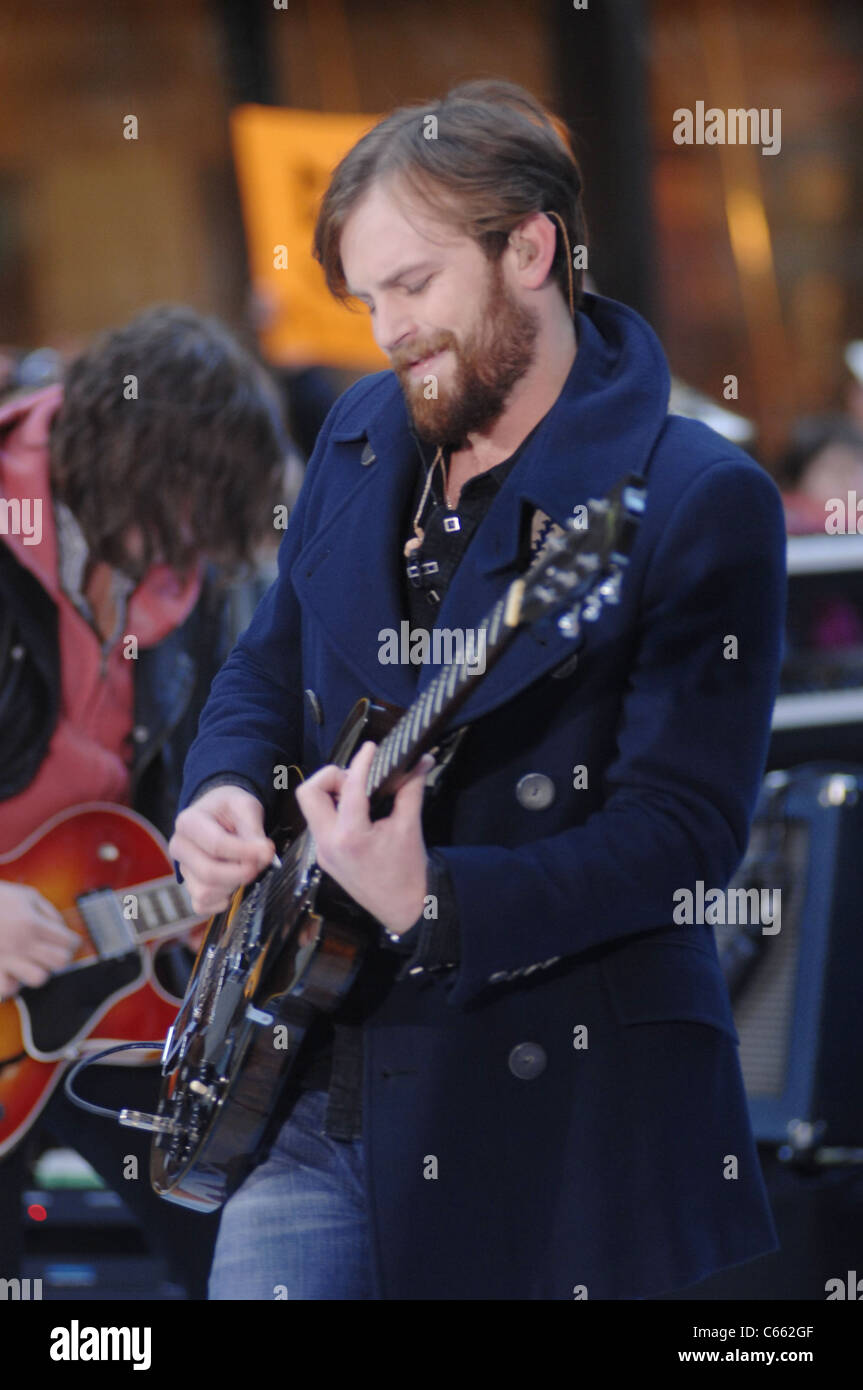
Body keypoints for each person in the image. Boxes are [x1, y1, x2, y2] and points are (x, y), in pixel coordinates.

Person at [171, 79, 787, 1301]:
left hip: (559, 1136)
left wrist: (437, 901)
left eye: (413, 286)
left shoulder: (696, 497)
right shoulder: (358, 431)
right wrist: (225, 787)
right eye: (365, 298)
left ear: (529, 249)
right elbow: (267, 661)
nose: (386, 329)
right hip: (303, 1079)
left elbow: (681, 841)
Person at [0, 303, 287, 1297]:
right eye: (181, 516)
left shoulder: (197, 574)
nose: (187, 557)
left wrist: (219, 871)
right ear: (123, 457)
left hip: (106, 964)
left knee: (241, 1222)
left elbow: (222, 747)